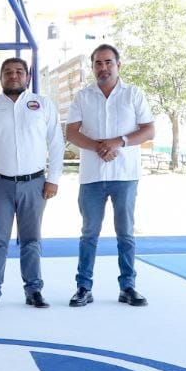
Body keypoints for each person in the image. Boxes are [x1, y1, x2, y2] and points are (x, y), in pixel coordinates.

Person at [0, 57, 63, 309]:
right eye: (8, 72)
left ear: (27, 77)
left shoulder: (43, 105)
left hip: (35, 183)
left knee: (31, 240)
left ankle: (33, 290)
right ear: (0, 78)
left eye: (19, 71)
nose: (13, 75)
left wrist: (53, 179)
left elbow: (55, 144)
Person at [65, 44, 156, 308]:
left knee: (125, 233)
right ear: (92, 67)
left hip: (125, 175)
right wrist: (98, 147)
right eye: (98, 63)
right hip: (92, 176)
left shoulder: (133, 94)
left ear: (119, 65)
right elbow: (71, 132)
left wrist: (119, 142)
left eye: (108, 62)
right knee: (89, 234)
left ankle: (128, 287)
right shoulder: (83, 96)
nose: (103, 68)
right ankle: (83, 287)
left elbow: (149, 130)